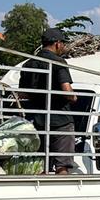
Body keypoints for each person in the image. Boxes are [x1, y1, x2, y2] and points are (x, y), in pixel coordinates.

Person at [18, 28, 77, 174]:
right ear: (57, 44)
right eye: (63, 43)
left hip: (38, 121)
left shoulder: (28, 64)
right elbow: (67, 90)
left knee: (41, 165)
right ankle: (61, 192)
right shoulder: (58, 62)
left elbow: (23, 93)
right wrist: (73, 96)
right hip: (60, 121)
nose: (63, 47)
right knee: (62, 166)